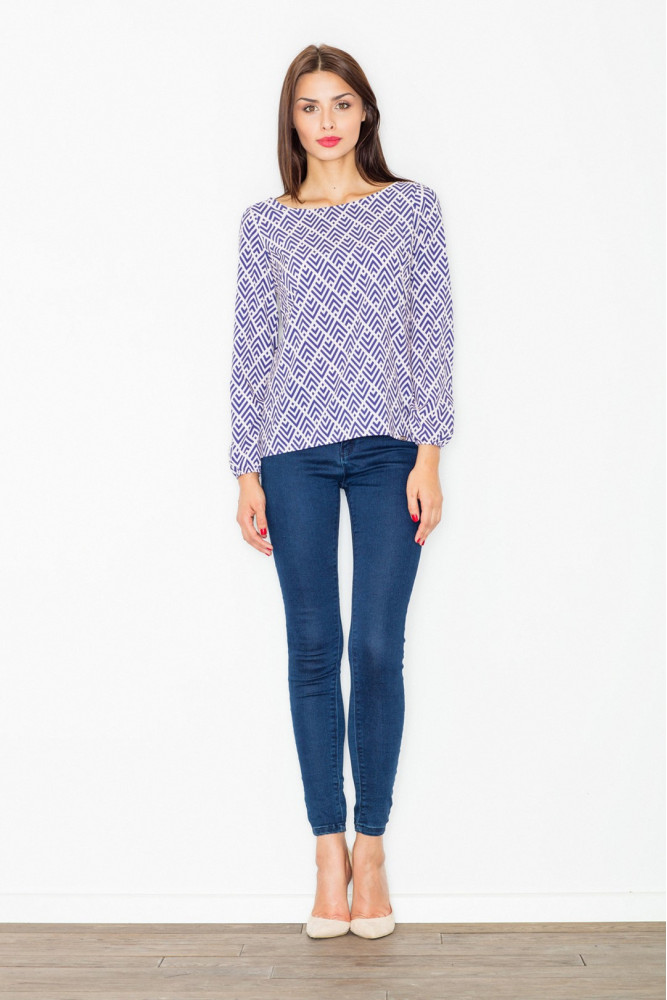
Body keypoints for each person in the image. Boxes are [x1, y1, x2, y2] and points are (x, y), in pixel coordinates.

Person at [228, 44, 454, 940]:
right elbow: (252, 347)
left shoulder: (410, 208)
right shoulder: (265, 224)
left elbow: (432, 333)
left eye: (341, 103)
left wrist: (429, 456)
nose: (326, 121)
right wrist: (245, 470)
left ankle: (373, 846)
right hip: (292, 453)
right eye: (309, 106)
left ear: (365, 113)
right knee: (313, 649)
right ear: (291, 120)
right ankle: (328, 851)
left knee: (376, 648)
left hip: (391, 449)